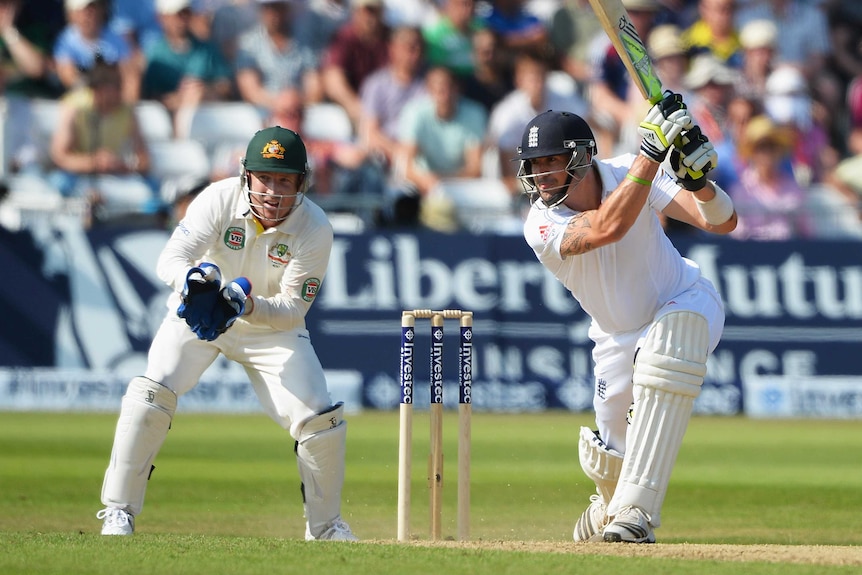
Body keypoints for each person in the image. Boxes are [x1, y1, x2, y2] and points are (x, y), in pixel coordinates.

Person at [96, 125, 359, 541]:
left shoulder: (315, 227)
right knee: (151, 393)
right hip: (201, 314)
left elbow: (293, 309)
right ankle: (117, 511)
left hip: (268, 326)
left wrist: (246, 305)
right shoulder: (218, 198)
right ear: (247, 177)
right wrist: (195, 281)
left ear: (301, 183)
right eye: (265, 179)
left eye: (284, 181)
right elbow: (171, 257)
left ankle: (325, 527)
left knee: (320, 420)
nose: (273, 192)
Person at [517, 92, 737, 543]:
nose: (540, 175)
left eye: (550, 162)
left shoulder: (625, 171)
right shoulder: (539, 224)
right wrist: (652, 155)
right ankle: (610, 507)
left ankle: (636, 516)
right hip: (615, 339)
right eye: (534, 165)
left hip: (685, 300)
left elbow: (722, 222)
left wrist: (699, 183)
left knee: (667, 348)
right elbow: (606, 227)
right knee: (612, 458)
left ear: (580, 158)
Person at [235, 0, 323, 109]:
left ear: (286, 10)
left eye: (277, 8)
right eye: (267, 8)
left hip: (299, 111)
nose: (272, 14)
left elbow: (314, 86)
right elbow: (250, 90)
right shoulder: (249, 43)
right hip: (263, 113)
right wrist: (279, 104)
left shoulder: (305, 42)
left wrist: (296, 104)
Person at [54, 0, 141, 102]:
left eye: (92, 9)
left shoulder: (116, 38)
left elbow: (130, 75)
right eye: (83, 11)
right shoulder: (66, 41)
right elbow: (67, 74)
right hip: (83, 102)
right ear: (71, 14)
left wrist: (127, 105)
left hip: (115, 102)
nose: (88, 15)